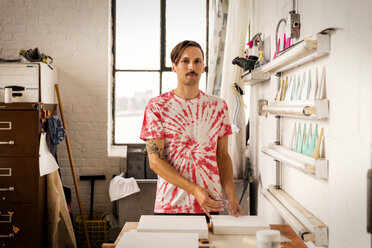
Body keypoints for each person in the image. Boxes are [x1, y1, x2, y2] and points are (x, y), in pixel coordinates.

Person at [140, 40, 244, 221]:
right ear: (174, 66)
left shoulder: (218, 106)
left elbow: (223, 156)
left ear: (203, 67)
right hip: (170, 206)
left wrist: (231, 197)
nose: (191, 66)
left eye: (197, 61)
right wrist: (195, 190)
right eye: (185, 61)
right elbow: (155, 162)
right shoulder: (157, 107)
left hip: (210, 204)